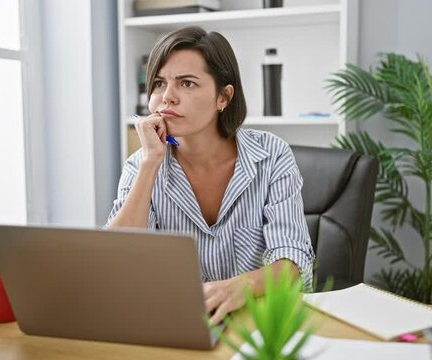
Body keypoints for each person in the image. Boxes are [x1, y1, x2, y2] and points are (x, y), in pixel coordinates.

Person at [107, 26, 314, 325]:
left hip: (259, 325)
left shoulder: (272, 156)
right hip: (177, 326)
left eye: (187, 84)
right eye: (158, 84)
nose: (168, 98)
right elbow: (115, 264)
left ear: (223, 97)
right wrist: (151, 162)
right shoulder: (140, 166)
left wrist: (238, 287)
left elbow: (293, 262)